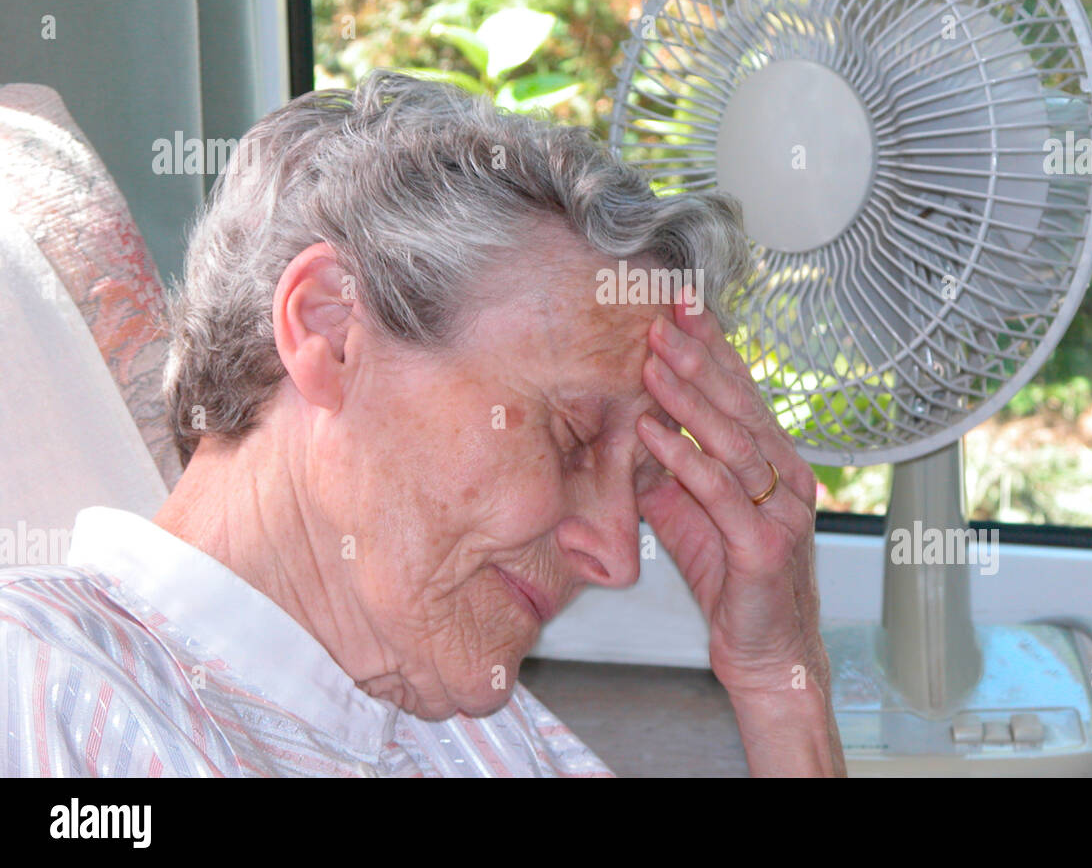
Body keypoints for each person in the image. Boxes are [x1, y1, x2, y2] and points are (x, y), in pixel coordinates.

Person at [0, 70, 845, 777]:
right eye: (572, 436)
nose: (617, 556)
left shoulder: (485, 738)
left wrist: (779, 682)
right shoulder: (46, 687)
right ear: (331, 329)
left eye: (643, 480)